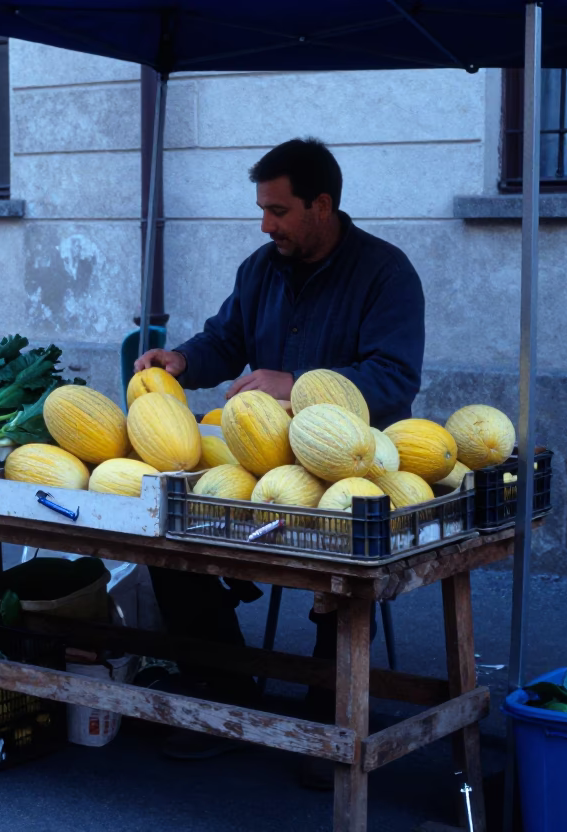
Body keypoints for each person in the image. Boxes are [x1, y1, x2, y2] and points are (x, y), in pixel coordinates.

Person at [133, 137, 425, 788]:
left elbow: (393, 379)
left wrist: (291, 383)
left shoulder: (386, 274)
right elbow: (226, 340)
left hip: (350, 464)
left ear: (321, 205)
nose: (266, 224)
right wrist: (182, 359)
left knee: (342, 559)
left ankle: (332, 714)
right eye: (262, 210)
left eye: (278, 210)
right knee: (167, 533)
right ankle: (229, 694)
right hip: (258, 457)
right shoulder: (261, 268)